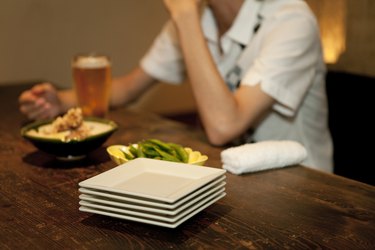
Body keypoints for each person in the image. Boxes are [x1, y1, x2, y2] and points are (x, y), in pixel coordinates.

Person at [18, 0, 333, 173]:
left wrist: (184, 15)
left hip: (302, 187)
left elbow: (224, 126)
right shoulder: (200, 18)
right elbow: (128, 89)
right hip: (232, 177)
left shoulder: (292, 20)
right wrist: (62, 102)